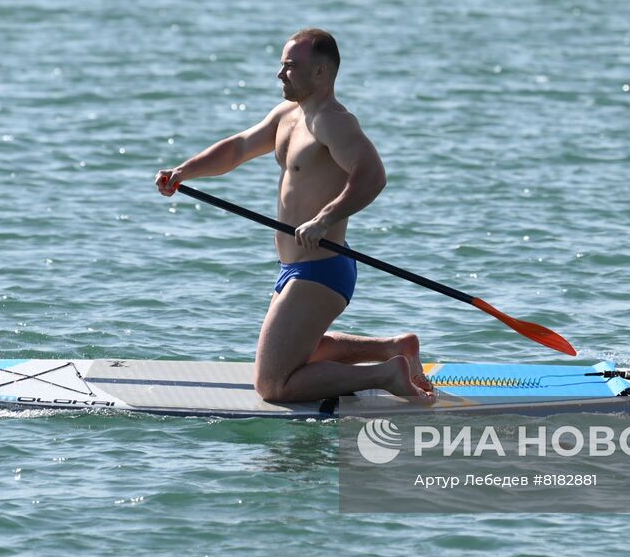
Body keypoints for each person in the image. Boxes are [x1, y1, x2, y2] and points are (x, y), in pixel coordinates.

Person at [155, 29, 436, 403]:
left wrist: (325, 218)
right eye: (281, 65)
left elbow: (373, 175)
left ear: (320, 72)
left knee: (273, 385)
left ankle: (386, 375)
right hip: (295, 267)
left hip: (321, 269)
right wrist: (183, 172)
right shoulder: (287, 115)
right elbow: (238, 148)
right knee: (301, 353)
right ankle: (393, 348)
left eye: (290, 66)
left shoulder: (333, 122)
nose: (280, 74)